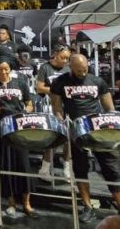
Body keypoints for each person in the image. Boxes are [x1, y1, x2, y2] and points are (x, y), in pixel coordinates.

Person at [49, 53, 120, 223]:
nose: (83, 73)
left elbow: (110, 108)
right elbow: (57, 107)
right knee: (80, 168)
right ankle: (87, 206)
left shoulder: (98, 81)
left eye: (85, 69)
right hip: (76, 129)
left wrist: (112, 125)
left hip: (98, 129)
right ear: (70, 67)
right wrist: (61, 121)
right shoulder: (60, 82)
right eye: (79, 70)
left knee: (111, 168)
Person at [0, 61, 36, 219]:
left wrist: (23, 111)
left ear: (10, 70)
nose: (3, 72)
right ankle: (11, 202)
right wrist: (3, 110)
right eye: (0, 69)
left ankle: (27, 203)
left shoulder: (20, 83)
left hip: (19, 127)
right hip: (2, 127)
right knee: (6, 164)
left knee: (24, 164)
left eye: (6, 69)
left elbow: (30, 105)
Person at [35, 45, 71, 177]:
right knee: (55, 138)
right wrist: (56, 91)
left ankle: (67, 167)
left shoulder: (68, 69)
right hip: (51, 105)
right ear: (55, 54)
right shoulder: (46, 68)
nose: (65, 61)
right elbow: (39, 88)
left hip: (68, 105)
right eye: (63, 57)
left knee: (68, 138)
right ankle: (45, 168)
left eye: (67, 58)